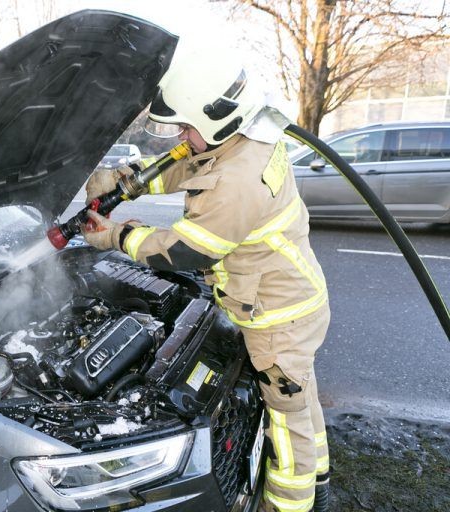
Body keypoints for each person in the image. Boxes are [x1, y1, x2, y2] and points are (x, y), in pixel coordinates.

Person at [81, 47, 330, 512]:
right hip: (295, 298)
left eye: (187, 126)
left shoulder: (237, 182)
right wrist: (121, 181)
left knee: (288, 417)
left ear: (216, 117)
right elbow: (186, 167)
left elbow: (183, 250)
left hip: (279, 319)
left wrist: (114, 235)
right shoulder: (242, 139)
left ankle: (294, 502)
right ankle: (321, 473)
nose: (181, 135)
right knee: (303, 396)